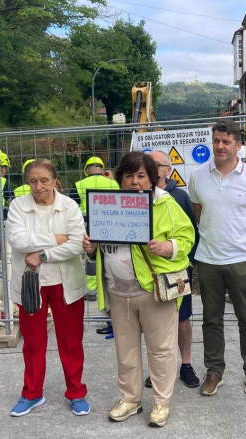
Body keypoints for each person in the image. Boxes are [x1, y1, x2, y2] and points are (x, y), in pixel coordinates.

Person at [81, 151, 194, 427]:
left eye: (141, 176)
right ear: (121, 178)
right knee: (125, 349)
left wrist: (167, 247)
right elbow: (100, 247)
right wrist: (91, 249)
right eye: (129, 176)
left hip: (152, 290)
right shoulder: (107, 205)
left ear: (152, 178)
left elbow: (187, 237)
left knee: (161, 350)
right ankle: (130, 399)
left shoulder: (166, 204)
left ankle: (160, 402)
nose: (134, 182)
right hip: (118, 292)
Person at [188, 119, 246, 397]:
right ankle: (214, 372)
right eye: (216, 141)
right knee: (211, 319)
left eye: (226, 141)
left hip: (242, 259)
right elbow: (199, 212)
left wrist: (239, 236)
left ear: (238, 145)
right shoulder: (198, 176)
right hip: (208, 259)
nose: (220, 146)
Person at [6, 158, 89, 417]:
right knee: (33, 342)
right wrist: (55, 239)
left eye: (44, 180)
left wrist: (42, 255)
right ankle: (32, 393)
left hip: (65, 283)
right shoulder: (18, 206)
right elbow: (18, 240)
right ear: (27, 183)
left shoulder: (69, 206)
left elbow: (77, 244)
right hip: (31, 285)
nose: (39, 186)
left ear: (55, 180)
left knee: (71, 341)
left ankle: (76, 392)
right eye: (33, 181)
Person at [147, 149, 200, 388]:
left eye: (157, 164)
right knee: (156, 324)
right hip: (149, 272)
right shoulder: (138, 196)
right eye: (149, 164)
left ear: (168, 169)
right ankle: (159, 369)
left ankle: (186, 365)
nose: (153, 168)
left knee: (182, 319)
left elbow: (192, 234)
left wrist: (187, 263)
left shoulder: (179, 197)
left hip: (177, 271)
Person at [69, 156, 120, 303]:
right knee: (111, 255)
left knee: (91, 256)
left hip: (88, 226)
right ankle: (111, 286)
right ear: (102, 169)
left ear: (87, 170)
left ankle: (91, 290)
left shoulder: (79, 185)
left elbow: (71, 207)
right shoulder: (113, 184)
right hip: (111, 226)